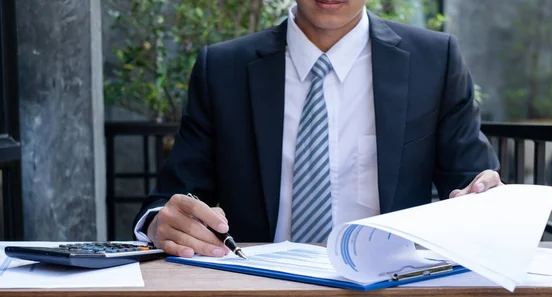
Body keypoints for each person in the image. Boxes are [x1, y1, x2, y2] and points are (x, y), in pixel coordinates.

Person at [133, 0, 502, 258]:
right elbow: (170, 200)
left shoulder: (435, 61)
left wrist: (487, 196)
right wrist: (159, 224)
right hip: (254, 285)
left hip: (389, 286)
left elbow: (473, 186)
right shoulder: (222, 69)